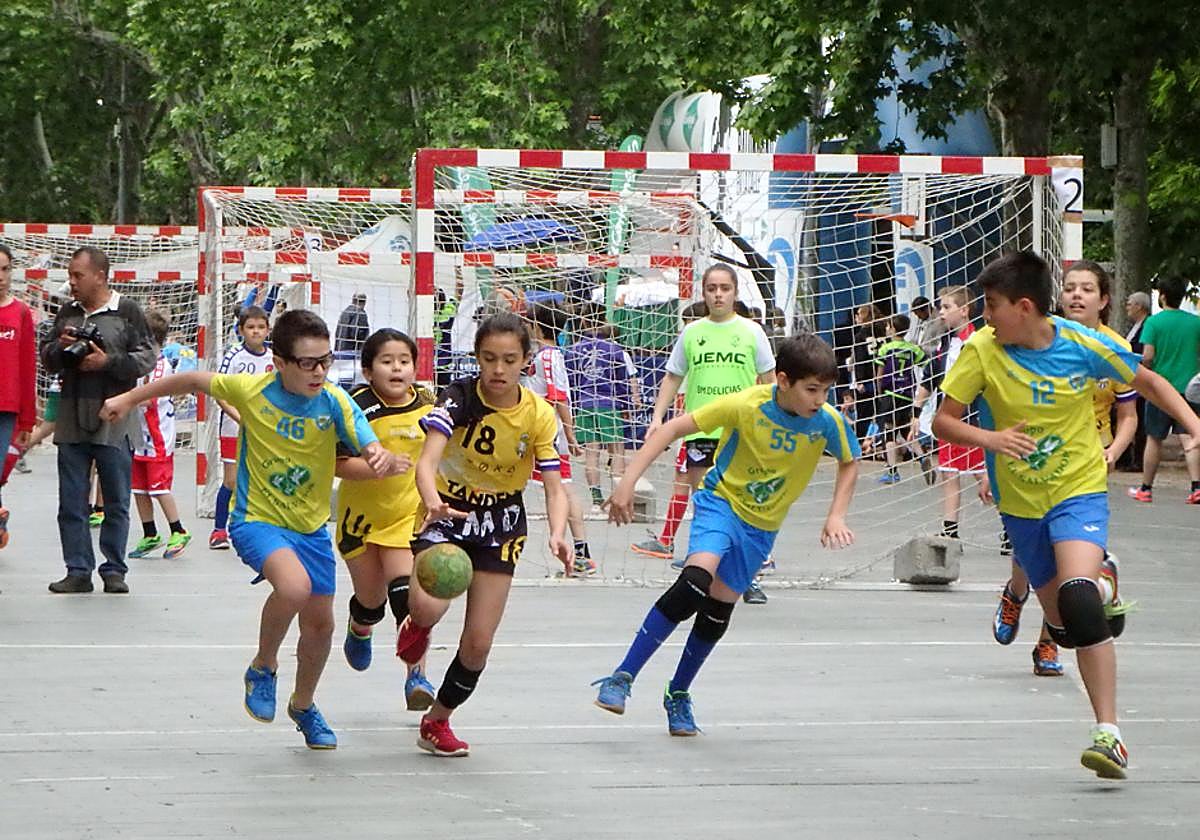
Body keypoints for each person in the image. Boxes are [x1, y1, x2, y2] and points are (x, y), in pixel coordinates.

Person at [932, 251, 1200, 779]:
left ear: (1025, 307)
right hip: (1021, 503)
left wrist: (1194, 423)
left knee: (1077, 600)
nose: (985, 315)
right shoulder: (981, 349)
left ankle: (1110, 734)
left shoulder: (1083, 344)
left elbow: (1148, 384)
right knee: (1065, 627)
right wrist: (989, 439)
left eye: (992, 305)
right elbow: (944, 422)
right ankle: (1104, 584)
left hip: (1077, 489)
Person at [101, 309, 392, 749]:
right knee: (293, 588)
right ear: (280, 363)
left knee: (321, 627)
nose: (319, 372)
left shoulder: (333, 400)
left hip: (310, 528)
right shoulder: (252, 390)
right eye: (308, 363)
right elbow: (192, 380)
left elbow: (365, 437)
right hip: (256, 519)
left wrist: (378, 455)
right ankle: (263, 665)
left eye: (326, 361)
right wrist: (129, 398)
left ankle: (304, 705)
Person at [593, 334, 859, 734]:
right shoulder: (746, 404)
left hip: (762, 526)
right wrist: (627, 481)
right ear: (783, 381)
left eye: (826, 390)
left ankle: (678, 693)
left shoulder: (827, 422)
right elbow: (671, 430)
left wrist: (836, 515)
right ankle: (623, 675)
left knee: (718, 611)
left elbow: (849, 462)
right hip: (721, 503)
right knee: (694, 582)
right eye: (812, 389)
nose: (820, 399)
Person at [392, 312, 569, 757]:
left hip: (501, 524)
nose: (498, 369)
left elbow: (554, 486)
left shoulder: (539, 415)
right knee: (430, 602)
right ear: (477, 357)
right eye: (489, 358)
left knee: (479, 643)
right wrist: (432, 501)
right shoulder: (457, 399)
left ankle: (437, 720)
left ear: (526, 360)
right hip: (447, 512)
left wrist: (560, 533)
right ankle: (418, 620)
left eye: (509, 359)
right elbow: (428, 462)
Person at [991, 260, 1139, 677]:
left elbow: (1129, 414)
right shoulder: (1031, 338)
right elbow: (994, 410)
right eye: (1070, 287)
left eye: (1087, 289)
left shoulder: (1108, 347)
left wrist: (1114, 450)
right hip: (1028, 460)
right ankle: (1015, 592)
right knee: (1029, 551)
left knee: (1071, 571)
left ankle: (1048, 643)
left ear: (1104, 299)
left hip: (1084, 463)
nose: (1076, 295)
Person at [630, 265, 775, 569]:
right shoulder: (692, 333)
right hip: (700, 431)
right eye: (712, 288)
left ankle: (754, 561)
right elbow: (672, 377)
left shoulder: (751, 332)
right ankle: (704, 560)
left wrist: (773, 419)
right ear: (704, 293)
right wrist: (658, 417)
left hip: (741, 431)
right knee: (705, 501)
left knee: (743, 499)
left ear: (735, 292)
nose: (718, 294)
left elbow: (768, 380)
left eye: (725, 288)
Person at [41, 246, 157, 594]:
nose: (72, 282)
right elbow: (46, 357)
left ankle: (114, 569)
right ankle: (77, 569)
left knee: (117, 500)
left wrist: (108, 362)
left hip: (115, 419)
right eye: (71, 275)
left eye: (78, 275)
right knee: (71, 501)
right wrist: (61, 351)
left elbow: (147, 358)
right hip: (72, 417)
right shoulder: (67, 313)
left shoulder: (128, 311)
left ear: (100, 276)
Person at [334, 328, 439, 710]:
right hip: (359, 520)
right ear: (367, 371)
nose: (397, 368)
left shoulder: (429, 402)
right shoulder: (353, 406)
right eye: (387, 361)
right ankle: (359, 626)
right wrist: (381, 468)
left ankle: (417, 676)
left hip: (406, 519)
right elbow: (338, 464)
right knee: (371, 602)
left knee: (406, 600)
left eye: (404, 361)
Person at [522, 304, 594, 575]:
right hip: (534, 432)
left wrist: (570, 433)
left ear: (537, 327)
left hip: (548, 434)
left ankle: (580, 552)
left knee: (563, 488)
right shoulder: (540, 356)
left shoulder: (549, 357)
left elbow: (558, 396)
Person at [919, 286, 988, 539]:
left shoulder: (978, 341)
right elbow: (931, 376)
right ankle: (950, 532)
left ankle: (1010, 529)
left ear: (964, 310)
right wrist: (915, 413)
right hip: (947, 418)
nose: (941, 312)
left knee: (982, 474)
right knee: (949, 474)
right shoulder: (945, 342)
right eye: (941, 307)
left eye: (947, 307)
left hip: (972, 419)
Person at [1128, 276, 1200, 504]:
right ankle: (1196, 487)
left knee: (1155, 438)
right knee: (1190, 438)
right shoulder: (1195, 322)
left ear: (1163, 296)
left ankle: (1146, 488)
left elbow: (1148, 355)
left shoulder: (1154, 323)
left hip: (1160, 389)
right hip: (1189, 388)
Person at [563, 303, 641, 511]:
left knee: (592, 453)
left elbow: (572, 383)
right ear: (604, 321)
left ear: (583, 321)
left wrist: (573, 409)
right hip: (610, 404)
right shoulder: (615, 349)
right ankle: (618, 496)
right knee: (617, 451)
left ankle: (596, 500)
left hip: (586, 405)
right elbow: (621, 381)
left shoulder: (573, 351)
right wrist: (626, 405)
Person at [127, 311, 191, 560]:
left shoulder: (160, 366)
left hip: (158, 436)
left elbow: (148, 399)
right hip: (140, 436)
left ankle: (179, 530)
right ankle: (150, 533)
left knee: (159, 487)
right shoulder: (140, 363)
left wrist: (121, 401)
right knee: (139, 489)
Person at [210, 305, 273, 550]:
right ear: (240, 330)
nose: (256, 332)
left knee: (262, 478)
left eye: (260, 327)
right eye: (250, 327)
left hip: (264, 428)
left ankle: (257, 528)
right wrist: (239, 417)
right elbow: (219, 393)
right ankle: (218, 531)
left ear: (268, 330)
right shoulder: (234, 356)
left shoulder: (273, 358)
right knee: (232, 480)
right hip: (233, 428)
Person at [0, 245, 37, 549]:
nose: (0, 277)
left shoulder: (21, 312)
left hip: (7, 410)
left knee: (1, 470)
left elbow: (27, 367)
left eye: (5, 269)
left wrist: (28, 419)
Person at [873, 314, 930, 484]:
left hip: (890, 395)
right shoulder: (912, 349)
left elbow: (879, 374)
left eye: (888, 326)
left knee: (888, 433)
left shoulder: (886, 348)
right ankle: (922, 456)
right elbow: (927, 364)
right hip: (906, 394)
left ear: (893, 329)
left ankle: (892, 471)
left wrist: (878, 391)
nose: (886, 329)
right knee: (906, 430)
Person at [1117, 291, 1153, 472]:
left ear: (1139, 306)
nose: (1127, 307)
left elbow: (1144, 354)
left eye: (1129, 303)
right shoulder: (1135, 326)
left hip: (1139, 377)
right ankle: (1127, 458)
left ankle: (1137, 459)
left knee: (1139, 417)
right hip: (1128, 378)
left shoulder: (1147, 325)